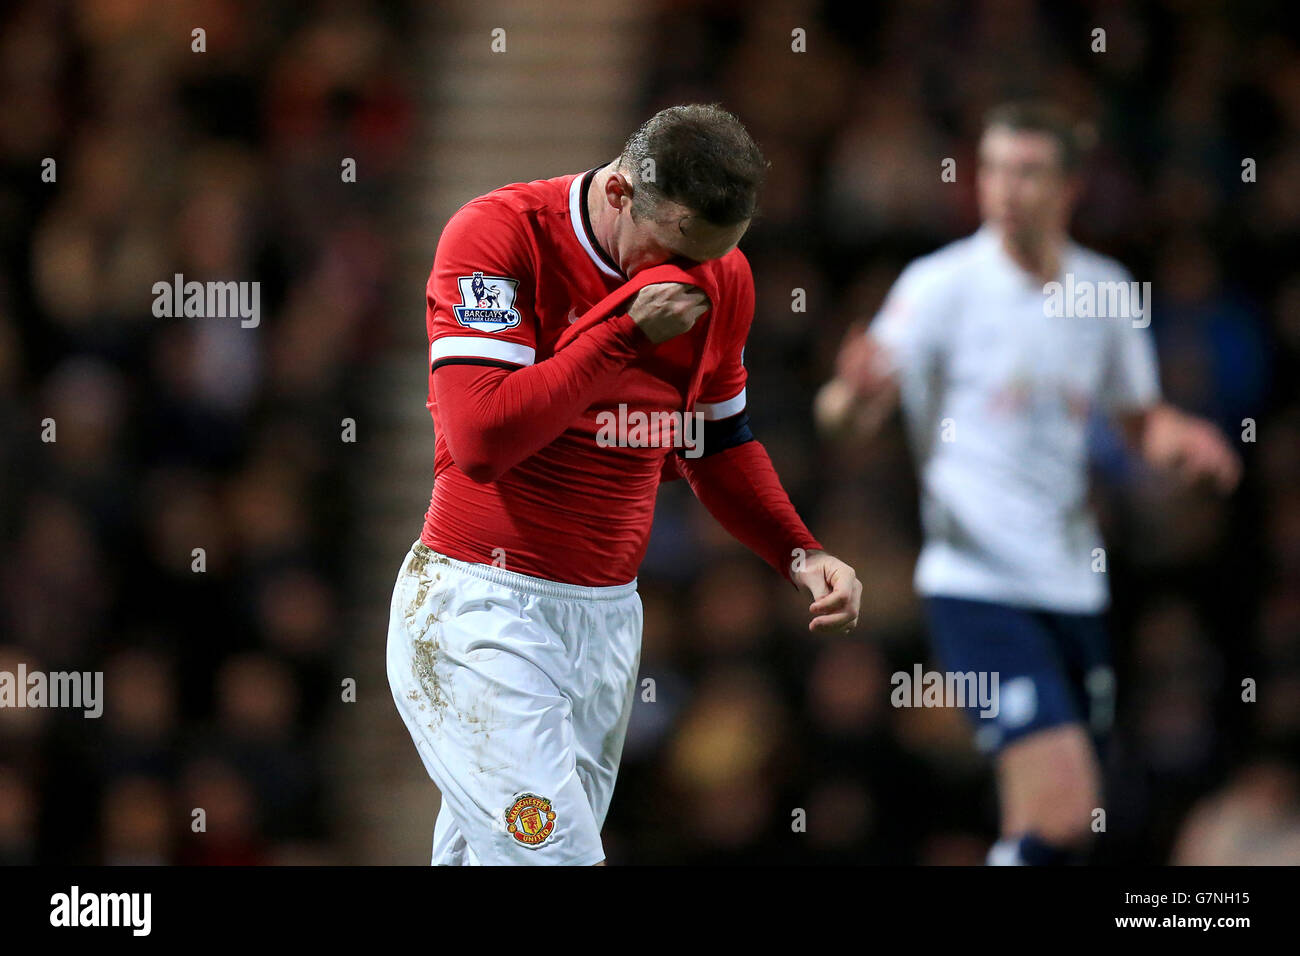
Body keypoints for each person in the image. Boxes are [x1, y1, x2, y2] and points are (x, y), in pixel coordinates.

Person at [388, 103, 862, 866]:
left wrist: (799, 553)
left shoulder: (721, 276)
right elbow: (480, 440)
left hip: (606, 624)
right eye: (673, 249)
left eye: (714, 254)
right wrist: (622, 336)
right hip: (480, 612)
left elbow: (716, 443)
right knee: (558, 858)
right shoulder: (500, 234)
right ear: (618, 195)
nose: (690, 275)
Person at [815, 101, 1240, 865]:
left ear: (1071, 187)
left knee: (1046, 822)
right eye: (997, 169)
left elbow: (1141, 422)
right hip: (977, 584)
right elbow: (843, 414)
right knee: (1069, 804)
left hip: (1074, 584)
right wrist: (851, 393)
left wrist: (1187, 441)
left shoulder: (1105, 291)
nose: (1008, 187)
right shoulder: (941, 285)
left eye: (1030, 171)